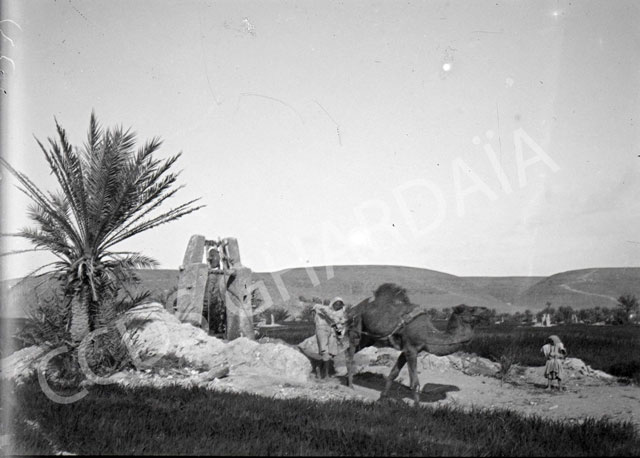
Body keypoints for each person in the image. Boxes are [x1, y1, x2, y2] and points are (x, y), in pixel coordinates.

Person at [313, 297, 347, 379]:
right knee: (324, 351)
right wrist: (331, 316)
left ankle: (321, 370)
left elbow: (338, 326)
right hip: (322, 329)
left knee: (331, 352)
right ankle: (325, 374)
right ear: (333, 303)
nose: (338, 306)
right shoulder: (324, 308)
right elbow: (316, 307)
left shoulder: (339, 314)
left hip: (332, 331)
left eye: (340, 305)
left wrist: (340, 336)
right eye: (336, 304)